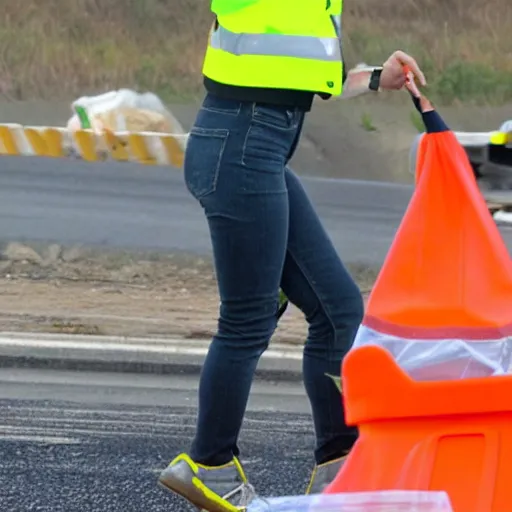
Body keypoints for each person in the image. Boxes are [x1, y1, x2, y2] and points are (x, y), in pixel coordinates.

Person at [158, 2, 427, 511]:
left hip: (259, 148)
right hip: (239, 147)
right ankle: (208, 464)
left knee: (338, 310)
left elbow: (299, 74)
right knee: (247, 320)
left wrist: (374, 78)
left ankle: (338, 469)